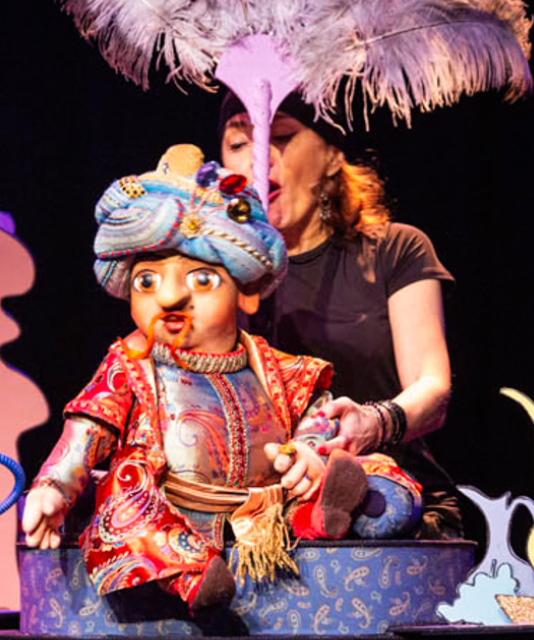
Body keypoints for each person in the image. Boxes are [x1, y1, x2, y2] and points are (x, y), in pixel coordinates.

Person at [21, 144, 424, 612]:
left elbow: (317, 415)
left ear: (247, 293)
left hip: (270, 513)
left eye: (201, 280)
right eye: (147, 281)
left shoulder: (273, 366)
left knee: (374, 470)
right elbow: (88, 430)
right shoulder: (131, 363)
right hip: (174, 514)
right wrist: (52, 486)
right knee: (125, 478)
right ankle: (190, 576)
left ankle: (337, 510)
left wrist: (308, 451)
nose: (169, 297)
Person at [220, 93, 460, 538]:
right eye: (238, 143)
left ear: (332, 156)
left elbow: (433, 386)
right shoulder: (215, 279)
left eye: (283, 136)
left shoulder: (396, 250)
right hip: (261, 518)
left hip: (389, 505)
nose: (258, 157)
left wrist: (373, 422)